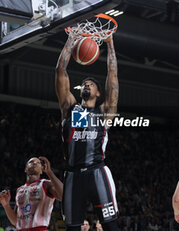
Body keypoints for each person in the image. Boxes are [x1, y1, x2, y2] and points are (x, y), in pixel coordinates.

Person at [55, 34, 119, 231]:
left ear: (98, 93)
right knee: (72, 228)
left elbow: (113, 76)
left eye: (91, 83)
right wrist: (71, 40)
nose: (87, 84)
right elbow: (60, 70)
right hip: (73, 174)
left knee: (110, 227)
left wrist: (110, 43)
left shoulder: (104, 111)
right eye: (84, 83)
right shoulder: (70, 108)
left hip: (97, 171)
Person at [0, 157, 63, 231]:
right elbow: (15, 221)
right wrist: (6, 205)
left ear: (41, 170)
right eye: (31, 162)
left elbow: (64, 196)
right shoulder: (19, 190)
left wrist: (49, 172)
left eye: (38, 163)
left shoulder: (46, 184)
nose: (35, 163)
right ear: (25, 169)